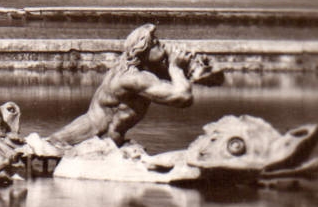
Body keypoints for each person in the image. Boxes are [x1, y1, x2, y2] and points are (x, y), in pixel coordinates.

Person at [47, 24, 209, 147]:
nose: (163, 45)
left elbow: (197, 79)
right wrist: (176, 67)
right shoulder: (133, 79)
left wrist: (192, 64)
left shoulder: (132, 67)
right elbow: (183, 97)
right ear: (143, 50)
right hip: (89, 141)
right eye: (157, 44)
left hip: (102, 138)